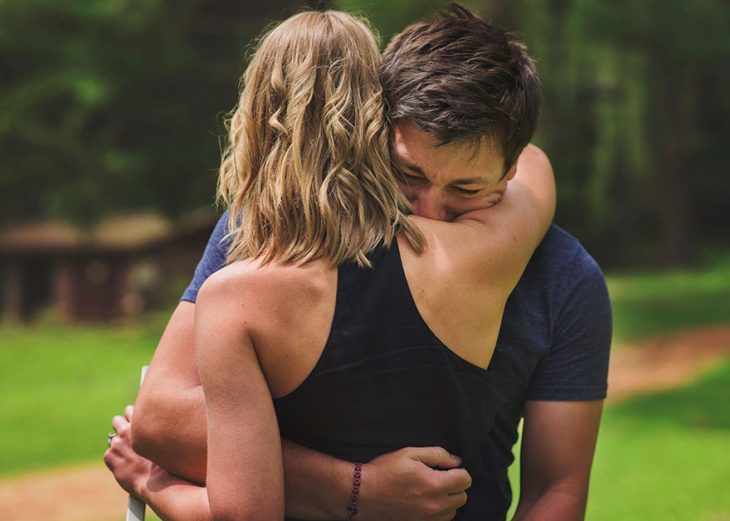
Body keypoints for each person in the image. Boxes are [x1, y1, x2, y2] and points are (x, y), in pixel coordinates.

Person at [106, 5, 610, 521]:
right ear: (374, 132)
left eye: (466, 188)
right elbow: (163, 417)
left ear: (510, 172)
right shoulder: (269, 228)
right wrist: (350, 489)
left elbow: (556, 492)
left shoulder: (564, 277)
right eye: (408, 174)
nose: (428, 211)